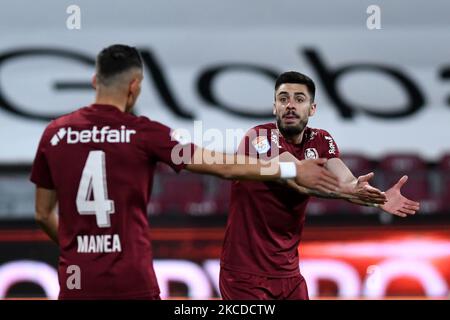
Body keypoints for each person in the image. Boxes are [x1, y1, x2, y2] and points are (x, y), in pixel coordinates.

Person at [29, 45, 346, 300]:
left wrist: (79, 248)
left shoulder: (55, 133)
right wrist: (289, 166)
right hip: (132, 278)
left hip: (77, 280)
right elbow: (221, 166)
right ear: (135, 87)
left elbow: (43, 214)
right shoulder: (145, 133)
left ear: (95, 80)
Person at [219, 71, 421, 300]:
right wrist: (350, 193)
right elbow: (298, 179)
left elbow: (347, 180)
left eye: (299, 99)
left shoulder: (321, 139)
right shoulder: (259, 137)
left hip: (289, 274)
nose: (290, 105)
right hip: (245, 275)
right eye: (283, 99)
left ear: (312, 109)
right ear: (275, 107)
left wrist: (375, 196)